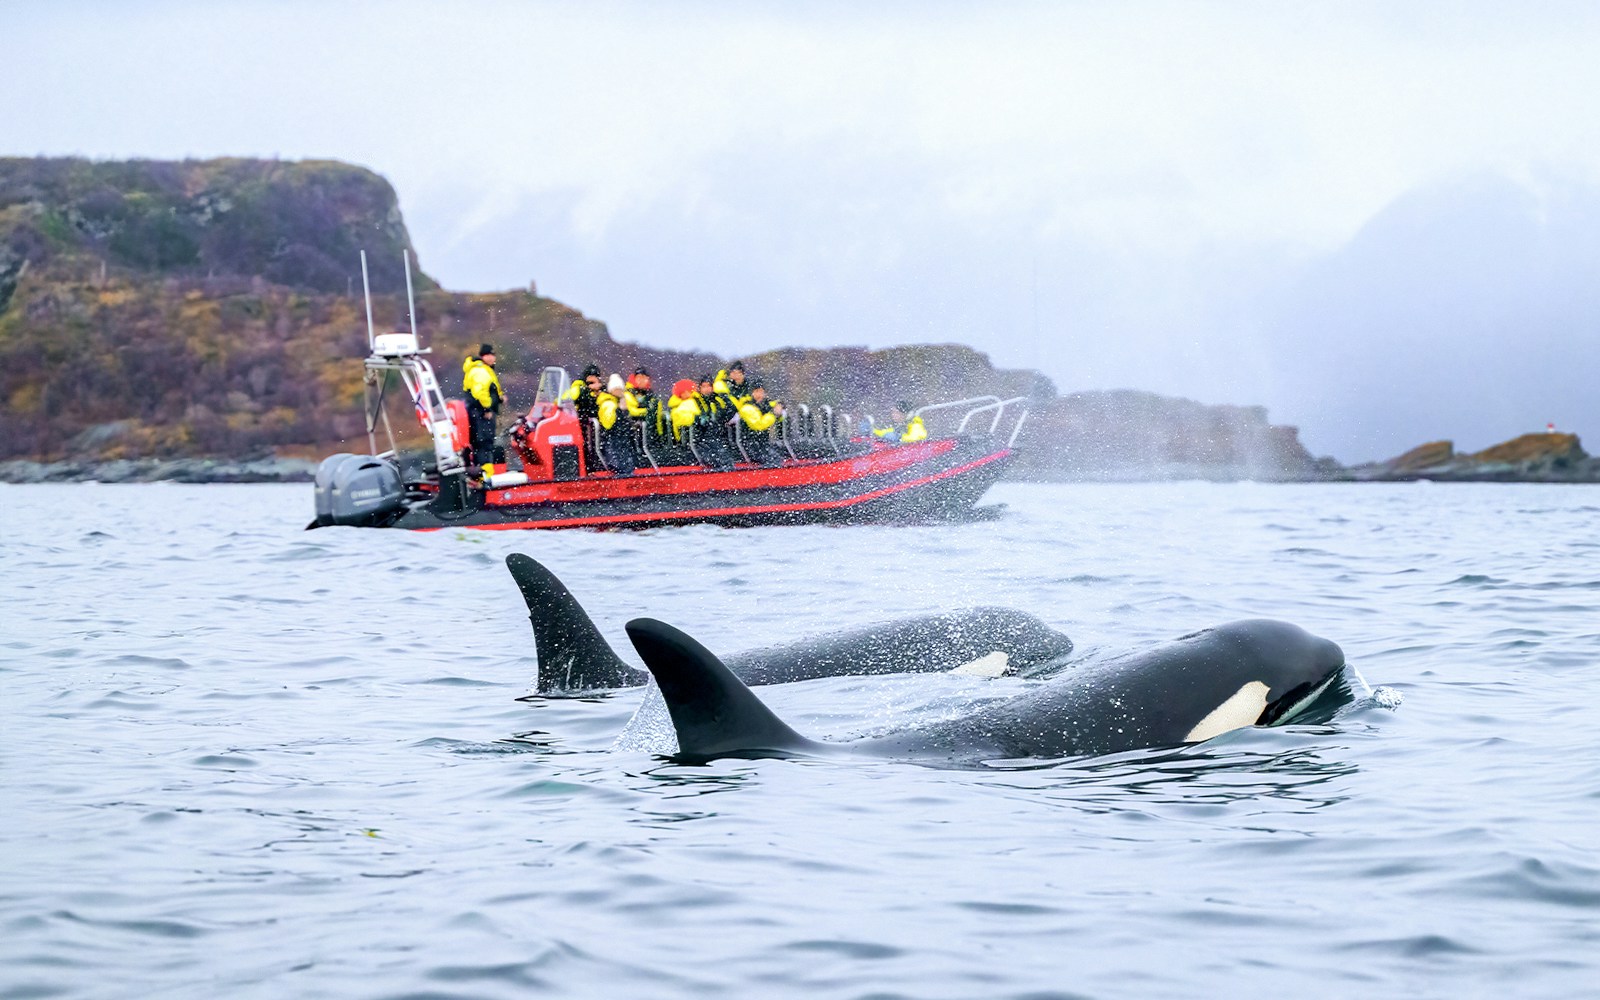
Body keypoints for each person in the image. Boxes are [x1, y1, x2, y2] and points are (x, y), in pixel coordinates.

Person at [673, 373, 737, 470]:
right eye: (704, 386)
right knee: (716, 458)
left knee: (726, 458)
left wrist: (724, 396)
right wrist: (697, 420)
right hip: (700, 438)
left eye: (709, 386)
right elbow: (681, 416)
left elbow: (731, 411)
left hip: (717, 437)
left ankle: (723, 477)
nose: (706, 389)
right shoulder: (694, 401)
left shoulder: (718, 400)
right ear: (699, 388)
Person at [461, 343, 503, 470]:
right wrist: (487, 409)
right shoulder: (480, 371)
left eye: (493, 355)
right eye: (488, 355)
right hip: (481, 414)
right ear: (482, 356)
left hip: (477, 412)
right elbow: (480, 392)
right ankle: (485, 475)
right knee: (484, 444)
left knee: (481, 444)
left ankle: (481, 472)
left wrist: (499, 397)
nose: (491, 358)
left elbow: (491, 389)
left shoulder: (482, 370)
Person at [563, 364, 605, 472]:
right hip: (582, 427)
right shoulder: (578, 388)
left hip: (594, 429)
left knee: (594, 449)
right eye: (591, 376)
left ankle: (593, 469)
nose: (594, 379)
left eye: (596, 377)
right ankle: (587, 470)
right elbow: (564, 400)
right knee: (586, 449)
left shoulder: (601, 391)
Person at [595, 374, 638, 475]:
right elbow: (608, 424)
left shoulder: (618, 402)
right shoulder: (608, 404)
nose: (619, 391)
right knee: (620, 468)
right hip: (614, 442)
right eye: (616, 388)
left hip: (621, 442)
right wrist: (620, 411)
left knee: (626, 466)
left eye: (620, 388)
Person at [735, 379, 785, 465]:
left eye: (762, 392)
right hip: (749, 444)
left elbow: (780, 416)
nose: (760, 395)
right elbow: (758, 425)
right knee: (771, 460)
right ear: (752, 393)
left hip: (763, 443)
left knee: (778, 458)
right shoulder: (746, 407)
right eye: (757, 391)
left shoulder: (765, 404)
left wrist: (780, 407)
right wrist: (774, 414)